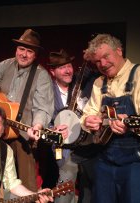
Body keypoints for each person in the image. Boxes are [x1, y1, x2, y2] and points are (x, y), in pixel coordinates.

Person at [80, 33, 140, 203]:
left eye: (106, 56)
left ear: (119, 51)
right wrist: (87, 121)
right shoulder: (99, 83)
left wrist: (131, 125)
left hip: (137, 161)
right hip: (105, 159)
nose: (103, 64)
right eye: (98, 61)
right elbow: (88, 112)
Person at [0, 28, 55, 192]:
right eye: (21, 49)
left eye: (29, 51)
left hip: (22, 135)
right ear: (16, 49)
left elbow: (42, 107)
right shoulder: (4, 65)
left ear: (35, 55)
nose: (24, 54)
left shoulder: (41, 75)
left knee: (26, 185)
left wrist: (38, 126)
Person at [46, 49, 101, 203]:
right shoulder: (48, 91)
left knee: (90, 186)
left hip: (88, 142)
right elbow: (44, 119)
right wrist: (53, 131)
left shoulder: (84, 80)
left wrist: (91, 57)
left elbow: (100, 75)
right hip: (64, 146)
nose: (68, 70)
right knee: (66, 184)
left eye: (69, 65)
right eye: (62, 67)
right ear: (52, 71)